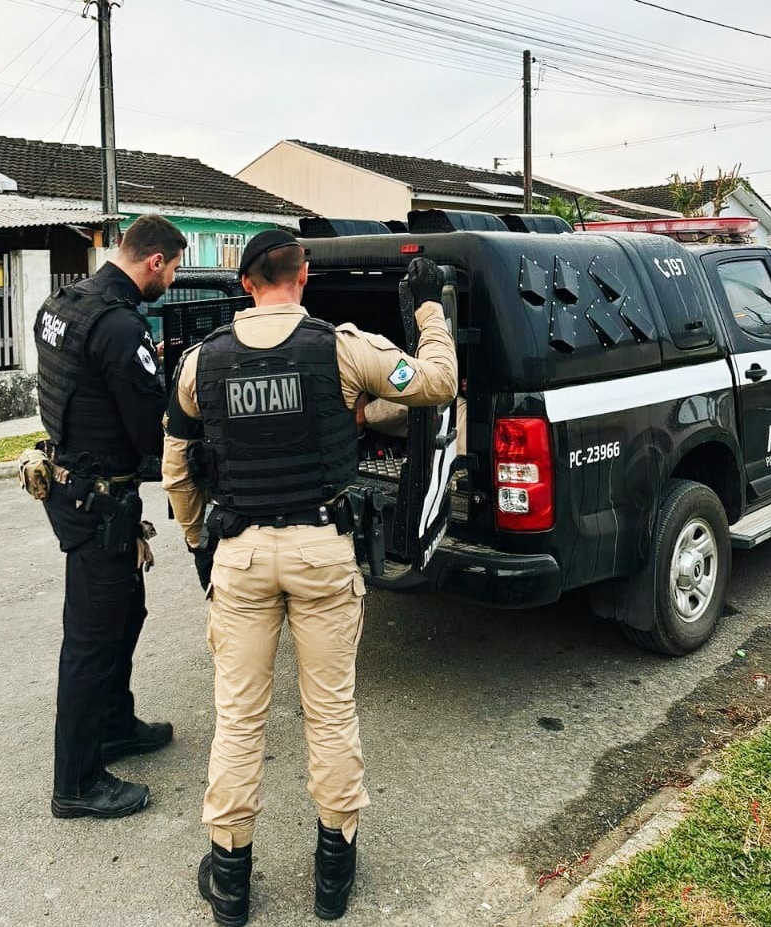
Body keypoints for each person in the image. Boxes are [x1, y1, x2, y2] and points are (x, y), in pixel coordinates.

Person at [162, 229, 457, 925]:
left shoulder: (199, 364)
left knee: (237, 720)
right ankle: (333, 877)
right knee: (329, 713)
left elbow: (177, 470)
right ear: (304, 277)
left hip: (240, 554)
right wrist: (430, 311)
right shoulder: (342, 347)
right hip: (323, 552)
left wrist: (200, 538)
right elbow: (438, 384)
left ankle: (230, 883)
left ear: (244, 285)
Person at [34, 214, 186, 819]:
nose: (171, 283)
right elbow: (150, 432)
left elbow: (79, 387)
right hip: (96, 499)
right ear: (155, 261)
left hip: (75, 483)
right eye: (173, 271)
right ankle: (76, 783)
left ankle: (115, 725)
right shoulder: (120, 327)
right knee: (93, 641)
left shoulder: (66, 301)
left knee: (127, 611)